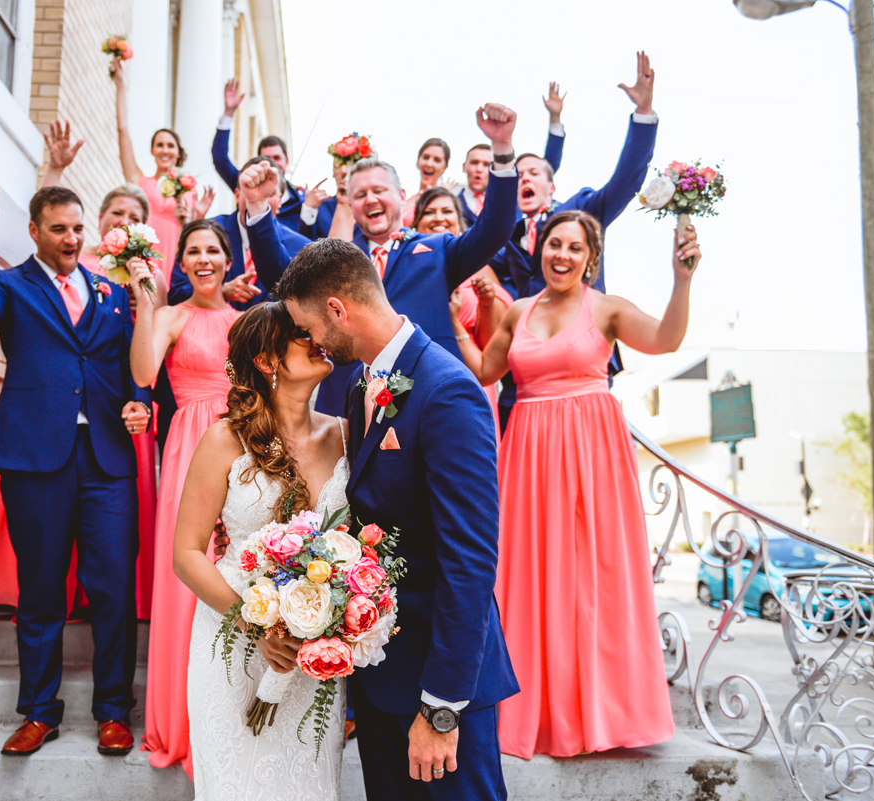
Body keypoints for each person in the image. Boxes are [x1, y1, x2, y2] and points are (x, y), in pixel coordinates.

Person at [272, 238, 517, 801]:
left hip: (439, 684)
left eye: (309, 326)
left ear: (338, 309)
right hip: (381, 676)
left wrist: (442, 708)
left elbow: (471, 560)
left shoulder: (447, 390)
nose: (311, 341)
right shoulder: (363, 384)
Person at [471, 210, 699, 758]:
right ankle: (529, 711)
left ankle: (599, 716)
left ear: (589, 258)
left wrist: (682, 278)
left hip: (591, 453)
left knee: (592, 579)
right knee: (527, 575)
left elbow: (666, 340)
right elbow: (483, 371)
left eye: (574, 248)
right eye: (554, 244)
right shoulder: (518, 311)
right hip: (527, 451)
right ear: (540, 249)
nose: (563, 255)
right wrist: (473, 313)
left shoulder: (609, 308)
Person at [0, 183, 151, 757]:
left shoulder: (110, 292)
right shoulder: (11, 285)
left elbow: (128, 359)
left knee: (114, 586)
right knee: (41, 589)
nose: (71, 239)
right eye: (60, 229)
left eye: (77, 229)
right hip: (34, 457)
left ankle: (114, 711)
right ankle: (40, 712)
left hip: (107, 459)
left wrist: (139, 394)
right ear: (36, 232)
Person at [244, 103, 521, 417]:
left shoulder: (438, 250)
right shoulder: (335, 258)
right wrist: (257, 208)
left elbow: (495, 228)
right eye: (359, 195)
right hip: (347, 406)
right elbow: (279, 279)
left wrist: (501, 148)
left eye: (379, 190)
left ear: (402, 196)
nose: (370, 200)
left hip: (424, 402)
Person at [175, 302, 349, 800]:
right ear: (268, 360)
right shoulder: (224, 440)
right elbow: (186, 553)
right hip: (232, 639)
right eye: (301, 335)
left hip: (313, 649)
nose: (320, 338)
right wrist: (258, 628)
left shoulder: (345, 434)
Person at [489, 52, 659, 432]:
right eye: (517, 175)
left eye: (533, 172)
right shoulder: (508, 236)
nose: (524, 179)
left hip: (582, 360)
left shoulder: (583, 210)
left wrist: (644, 114)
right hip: (526, 365)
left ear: (552, 186)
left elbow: (626, 180)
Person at [129, 219, 240, 778]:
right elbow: (145, 372)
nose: (202, 259)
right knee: (185, 578)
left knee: (234, 569)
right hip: (187, 446)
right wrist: (145, 301)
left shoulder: (246, 320)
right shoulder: (171, 316)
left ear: (227, 259)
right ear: (183, 262)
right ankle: (180, 719)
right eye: (192, 250)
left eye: (211, 250)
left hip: (241, 446)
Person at [406, 188, 513, 434]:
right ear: (417, 223)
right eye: (429, 212)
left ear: (459, 221)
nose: (439, 217)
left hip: (472, 378)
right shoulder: (404, 268)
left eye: (447, 211)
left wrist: (487, 304)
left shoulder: (479, 267)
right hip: (418, 379)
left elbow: (490, 346)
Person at [111, 59, 215, 276]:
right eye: (159, 145)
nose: (164, 150)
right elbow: (123, 131)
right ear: (152, 150)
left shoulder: (189, 193)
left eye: (170, 146)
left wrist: (199, 215)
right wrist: (120, 84)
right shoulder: (140, 181)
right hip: (141, 253)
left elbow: (192, 235)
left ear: (178, 153)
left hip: (173, 260)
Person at [167, 157, 311, 311]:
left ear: (280, 200)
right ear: (237, 195)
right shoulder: (201, 233)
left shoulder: (301, 247)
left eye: (270, 192)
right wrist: (220, 292)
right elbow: (175, 296)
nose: (260, 195)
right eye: (250, 186)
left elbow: (301, 303)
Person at [457, 83, 566, 228]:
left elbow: (546, 168)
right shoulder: (451, 201)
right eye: (474, 163)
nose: (479, 169)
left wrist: (555, 118)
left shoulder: (513, 201)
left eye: (486, 164)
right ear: (464, 167)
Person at [212, 78, 304, 233]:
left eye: (276, 158)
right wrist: (228, 114)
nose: (272, 164)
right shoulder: (243, 182)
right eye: (266, 159)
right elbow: (220, 158)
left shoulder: (301, 200)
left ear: (286, 161)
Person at [402, 138, 454, 227]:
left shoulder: (444, 203)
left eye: (437, 160)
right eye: (426, 157)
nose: (429, 164)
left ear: (444, 167)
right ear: (418, 161)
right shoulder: (408, 200)